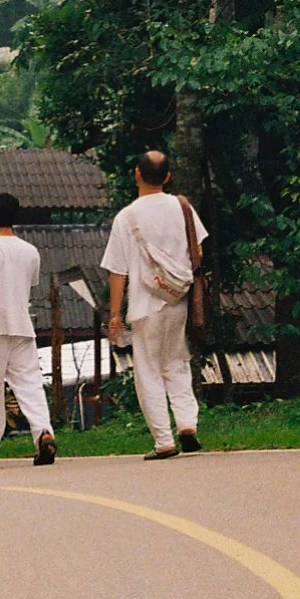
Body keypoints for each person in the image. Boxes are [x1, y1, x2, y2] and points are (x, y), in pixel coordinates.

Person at [101, 149, 208, 460]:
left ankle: (164, 441)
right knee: (177, 362)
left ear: (137, 174)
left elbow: (118, 271)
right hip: (178, 298)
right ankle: (187, 423)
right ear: (168, 177)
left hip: (145, 304)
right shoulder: (182, 207)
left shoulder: (126, 217)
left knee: (147, 371)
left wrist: (115, 313)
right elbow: (198, 251)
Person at [0, 192, 56, 469]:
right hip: (22, 324)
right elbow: (28, 286)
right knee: (29, 383)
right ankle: (43, 432)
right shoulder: (30, 252)